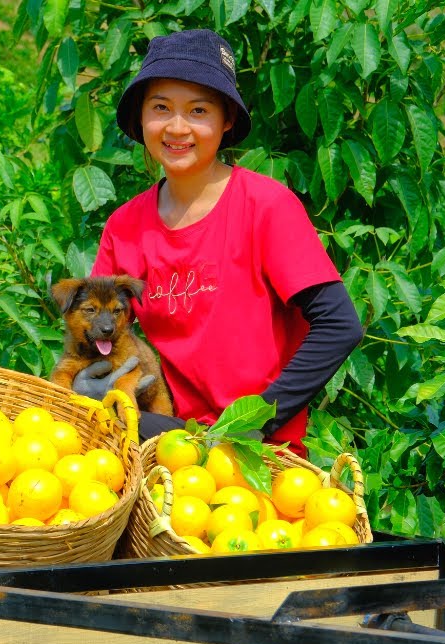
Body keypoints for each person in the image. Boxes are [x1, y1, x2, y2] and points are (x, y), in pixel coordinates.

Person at [76, 29, 363, 456]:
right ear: (141, 117)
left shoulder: (265, 207)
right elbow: (97, 332)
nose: (177, 128)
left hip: (260, 447)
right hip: (177, 434)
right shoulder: (126, 226)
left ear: (226, 120)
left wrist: (251, 423)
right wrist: (88, 382)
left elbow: (340, 327)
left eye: (198, 110)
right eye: (161, 108)